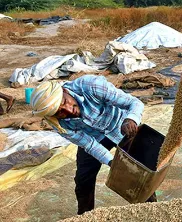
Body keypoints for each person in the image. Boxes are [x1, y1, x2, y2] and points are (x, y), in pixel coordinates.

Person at [30, 75, 148, 215]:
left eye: (65, 102)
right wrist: (112, 162)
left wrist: (131, 119)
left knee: (142, 172)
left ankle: (153, 209)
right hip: (94, 138)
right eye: (60, 112)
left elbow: (134, 103)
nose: (68, 110)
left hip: (122, 127)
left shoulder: (91, 86)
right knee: (83, 179)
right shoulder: (58, 124)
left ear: (64, 91)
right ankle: (86, 216)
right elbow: (90, 145)